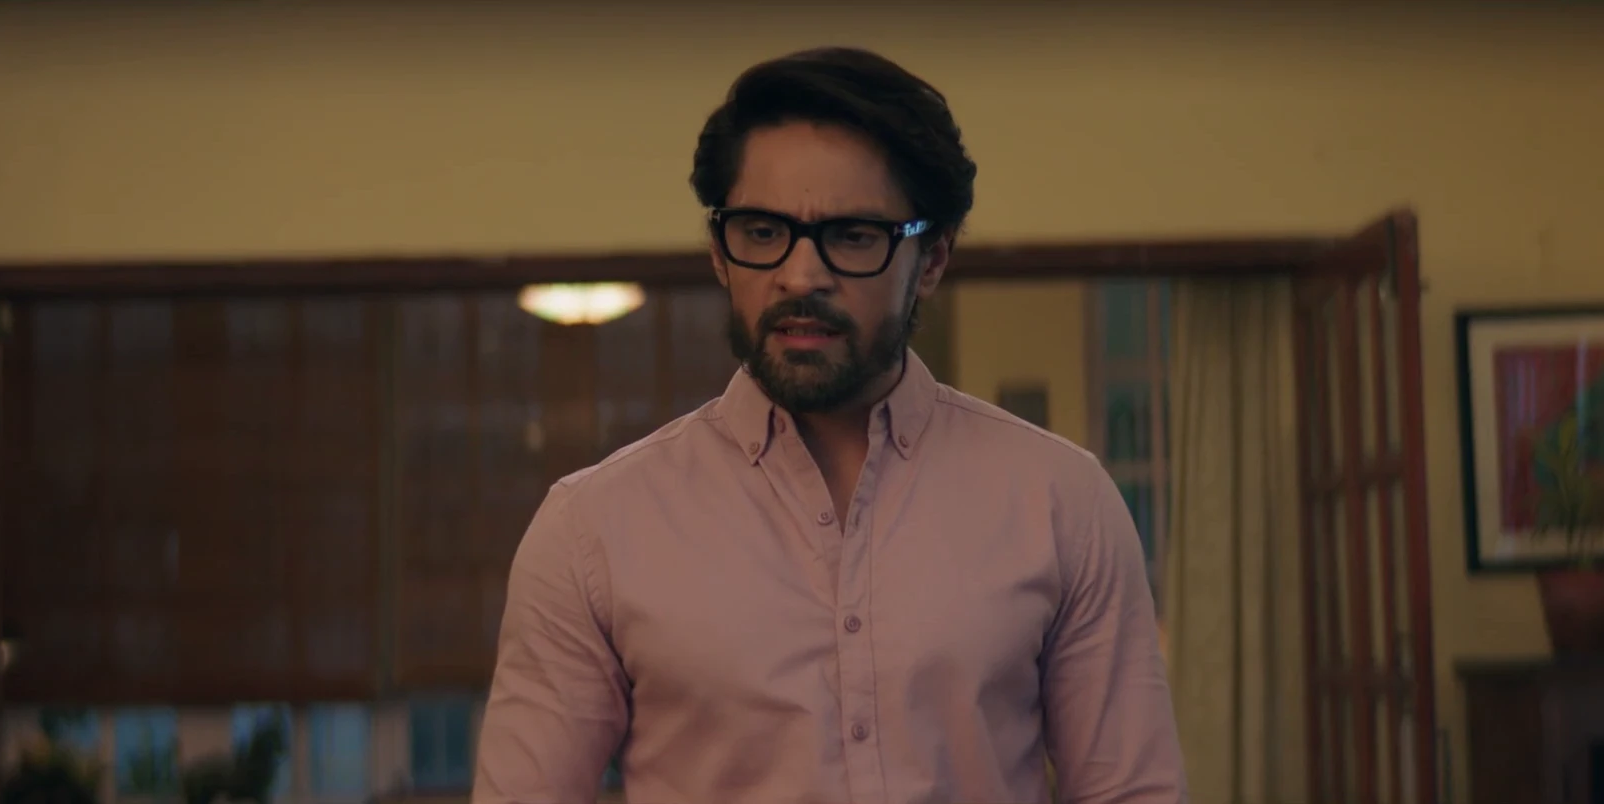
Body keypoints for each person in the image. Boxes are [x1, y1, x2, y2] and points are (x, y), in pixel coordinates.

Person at [474, 46, 1187, 804]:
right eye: (762, 231)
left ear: (932, 259)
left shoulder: (1061, 502)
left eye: (852, 236)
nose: (801, 276)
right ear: (719, 253)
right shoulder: (593, 531)